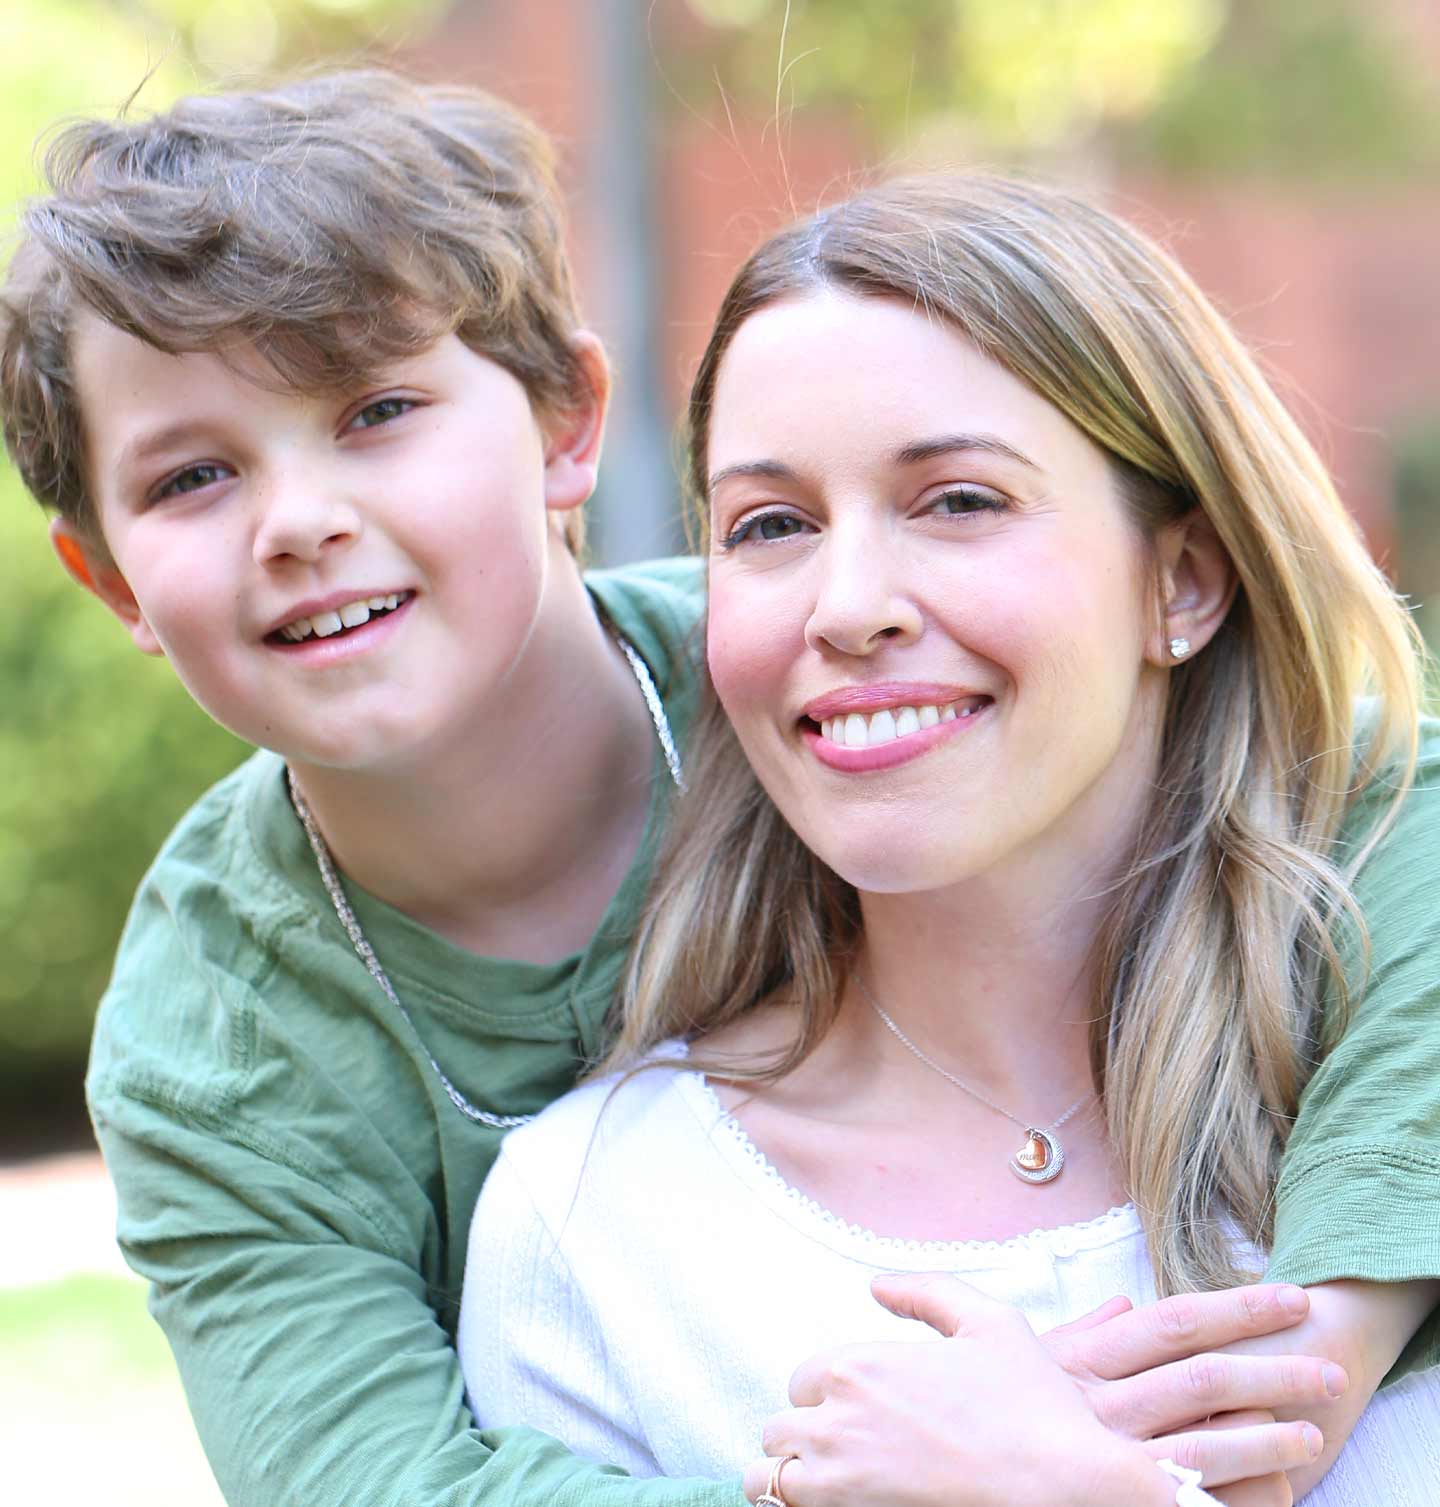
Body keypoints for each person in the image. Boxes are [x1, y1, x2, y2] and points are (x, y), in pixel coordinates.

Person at [0, 73, 1310, 1507]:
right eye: (193, 477)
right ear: (113, 578)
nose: (304, 521)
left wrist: (1346, 1321)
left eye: (376, 408)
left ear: (568, 425)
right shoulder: (219, 1048)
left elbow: (1364, 772)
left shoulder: (817, 668)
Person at [459, 175, 1440, 1505]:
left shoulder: (1390, 1111)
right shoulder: (595, 1231)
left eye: (959, 501)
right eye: (772, 526)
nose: (849, 604)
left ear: (1184, 581)